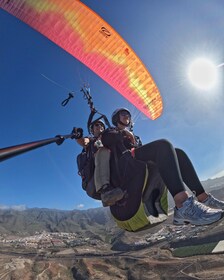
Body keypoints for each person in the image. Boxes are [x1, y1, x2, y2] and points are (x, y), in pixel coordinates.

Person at [106, 107, 224, 226]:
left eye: (128, 114)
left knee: (178, 153)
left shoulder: (133, 137)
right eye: (123, 114)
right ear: (116, 118)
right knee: (163, 145)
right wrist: (123, 133)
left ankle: (204, 198)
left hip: (137, 164)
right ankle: (183, 205)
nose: (127, 116)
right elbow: (107, 139)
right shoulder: (111, 132)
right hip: (124, 165)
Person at [73, 119, 124, 206]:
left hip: (111, 173)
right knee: (102, 149)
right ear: (92, 130)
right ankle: (105, 190)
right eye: (96, 125)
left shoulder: (110, 137)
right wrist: (78, 136)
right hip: (93, 184)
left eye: (101, 125)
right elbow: (83, 142)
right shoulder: (91, 140)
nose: (99, 126)